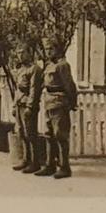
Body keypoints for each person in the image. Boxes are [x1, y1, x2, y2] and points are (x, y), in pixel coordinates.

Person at [38, 42, 78, 178]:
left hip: (59, 102)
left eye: (51, 48)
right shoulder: (49, 65)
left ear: (58, 49)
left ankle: (64, 167)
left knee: (60, 135)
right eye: (47, 49)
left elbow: (69, 85)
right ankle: (50, 165)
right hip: (49, 102)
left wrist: (72, 102)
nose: (48, 51)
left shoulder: (63, 65)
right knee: (49, 134)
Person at [12, 47, 44, 174]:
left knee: (30, 134)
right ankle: (26, 159)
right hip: (20, 103)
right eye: (18, 53)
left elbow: (34, 90)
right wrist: (14, 106)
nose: (20, 56)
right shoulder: (21, 70)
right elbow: (17, 90)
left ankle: (35, 162)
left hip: (28, 105)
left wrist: (30, 107)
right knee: (21, 132)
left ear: (29, 53)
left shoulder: (35, 69)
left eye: (22, 53)